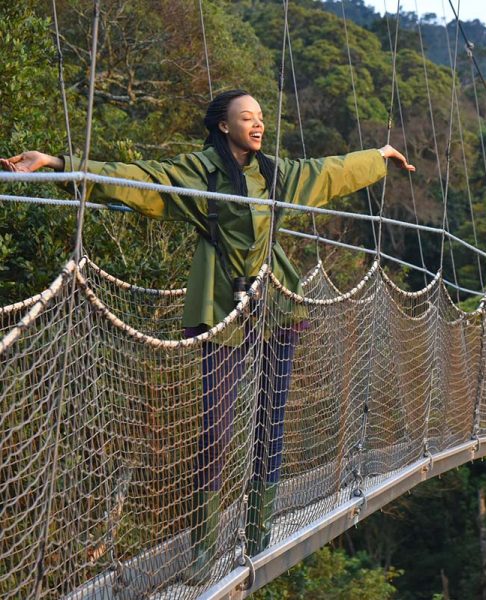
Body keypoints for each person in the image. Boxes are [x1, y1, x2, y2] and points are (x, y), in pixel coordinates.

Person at [1, 89, 414, 582]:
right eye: (247, 117)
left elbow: (327, 172)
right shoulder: (202, 172)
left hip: (276, 304)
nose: (258, 125)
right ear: (224, 126)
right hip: (221, 305)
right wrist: (57, 163)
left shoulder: (275, 174)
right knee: (214, 431)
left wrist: (379, 157)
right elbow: (139, 179)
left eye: (261, 117)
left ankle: (258, 530)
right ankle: (203, 549)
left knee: (271, 420)